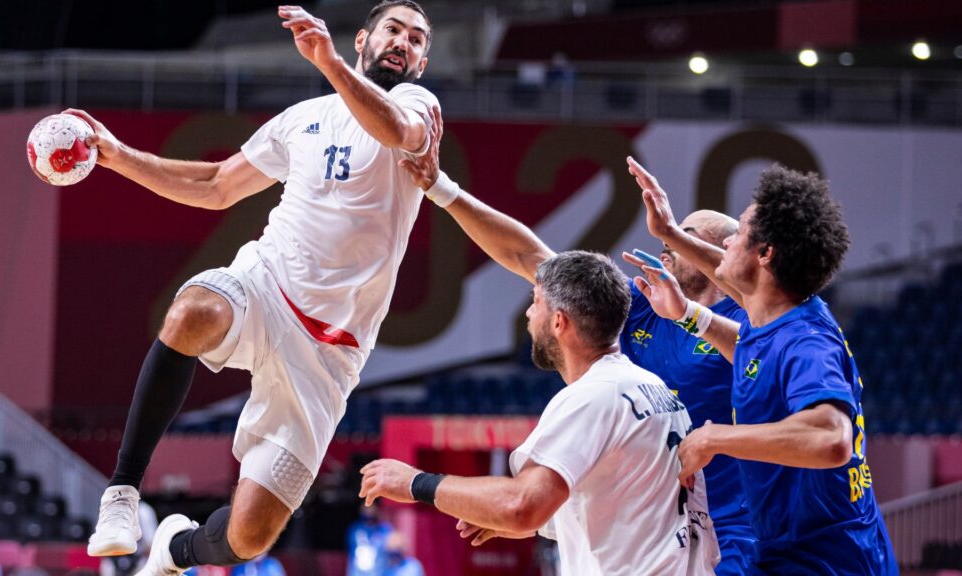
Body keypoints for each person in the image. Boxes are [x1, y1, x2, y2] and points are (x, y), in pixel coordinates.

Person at [76, 2, 440, 574]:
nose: (404, 42)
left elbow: (392, 130)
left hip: (330, 350)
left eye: (417, 39)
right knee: (192, 311)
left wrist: (331, 62)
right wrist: (121, 158)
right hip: (266, 286)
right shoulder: (302, 119)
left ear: (422, 62)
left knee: (249, 538)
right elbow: (218, 184)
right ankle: (121, 493)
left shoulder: (419, 106)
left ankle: (174, 551)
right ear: (367, 37)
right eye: (394, 30)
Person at [359, 114, 719, 575]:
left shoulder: (594, 396)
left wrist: (415, 482)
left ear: (561, 322)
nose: (528, 314)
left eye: (534, 303)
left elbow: (522, 505)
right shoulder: (654, 387)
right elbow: (597, 503)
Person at [622, 157, 896, 574]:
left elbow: (832, 438)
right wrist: (672, 242)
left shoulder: (805, 341)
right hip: (794, 547)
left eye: (740, 233)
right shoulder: (776, 315)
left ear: (765, 254)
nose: (727, 243)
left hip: (830, 559)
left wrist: (716, 438)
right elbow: (749, 344)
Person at [620, 213, 756, 575]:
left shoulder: (754, 320)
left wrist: (689, 315)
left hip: (729, 526)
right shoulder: (641, 301)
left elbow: (762, 356)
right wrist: (449, 193)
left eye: (684, 237)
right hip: (648, 524)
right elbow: (535, 261)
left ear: (718, 253)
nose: (669, 245)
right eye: (668, 238)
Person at [347, 504, 394, 576]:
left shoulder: (385, 530)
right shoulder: (355, 529)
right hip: (357, 572)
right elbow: (351, 552)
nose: (369, 512)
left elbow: (393, 548)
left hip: (379, 572)